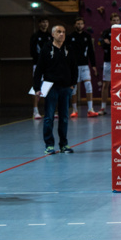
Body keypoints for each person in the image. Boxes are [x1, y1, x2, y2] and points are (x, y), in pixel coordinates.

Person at [33, 25, 78, 154]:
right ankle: (49, 145)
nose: (62, 34)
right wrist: (37, 87)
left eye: (63, 32)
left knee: (64, 117)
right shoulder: (46, 49)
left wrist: (72, 84)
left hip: (65, 87)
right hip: (51, 87)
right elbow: (39, 69)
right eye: (59, 32)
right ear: (53, 34)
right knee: (49, 117)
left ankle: (64, 145)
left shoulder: (69, 48)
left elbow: (74, 67)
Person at [68, 17, 98, 118]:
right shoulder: (70, 37)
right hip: (74, 66)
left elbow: (90, 51)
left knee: (88, 86)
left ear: (83, 25)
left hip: (85, 66)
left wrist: (93, 65)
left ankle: (90, 109)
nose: (79, 25)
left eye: (81, 23)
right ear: (74, 25)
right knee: (74, 89)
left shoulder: (87, 36)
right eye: (78, 23)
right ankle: (74, 110)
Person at [29, 16, 52, 119]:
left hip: (48, 65)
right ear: (39, 24)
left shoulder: (50, 36)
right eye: (42, 22)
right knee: (36, 86)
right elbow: (32, 51)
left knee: (48, 87)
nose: (44, 24)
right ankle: (35, 111)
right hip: (38, 65)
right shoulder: (35, 36)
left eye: (46, 22)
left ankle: (49, 110)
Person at [99, 13, 120, 115]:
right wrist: (110, 43)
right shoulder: (106, 32)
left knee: (119, 84)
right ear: (111, 22)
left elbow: (120, 45)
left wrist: (111, 43)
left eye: (117, 20)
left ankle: (118, 106)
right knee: (106, 84)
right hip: (108, 61)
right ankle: (103, 107)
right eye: (114, 20)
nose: (116, 22)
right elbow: (103, 44)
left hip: (119, 62)